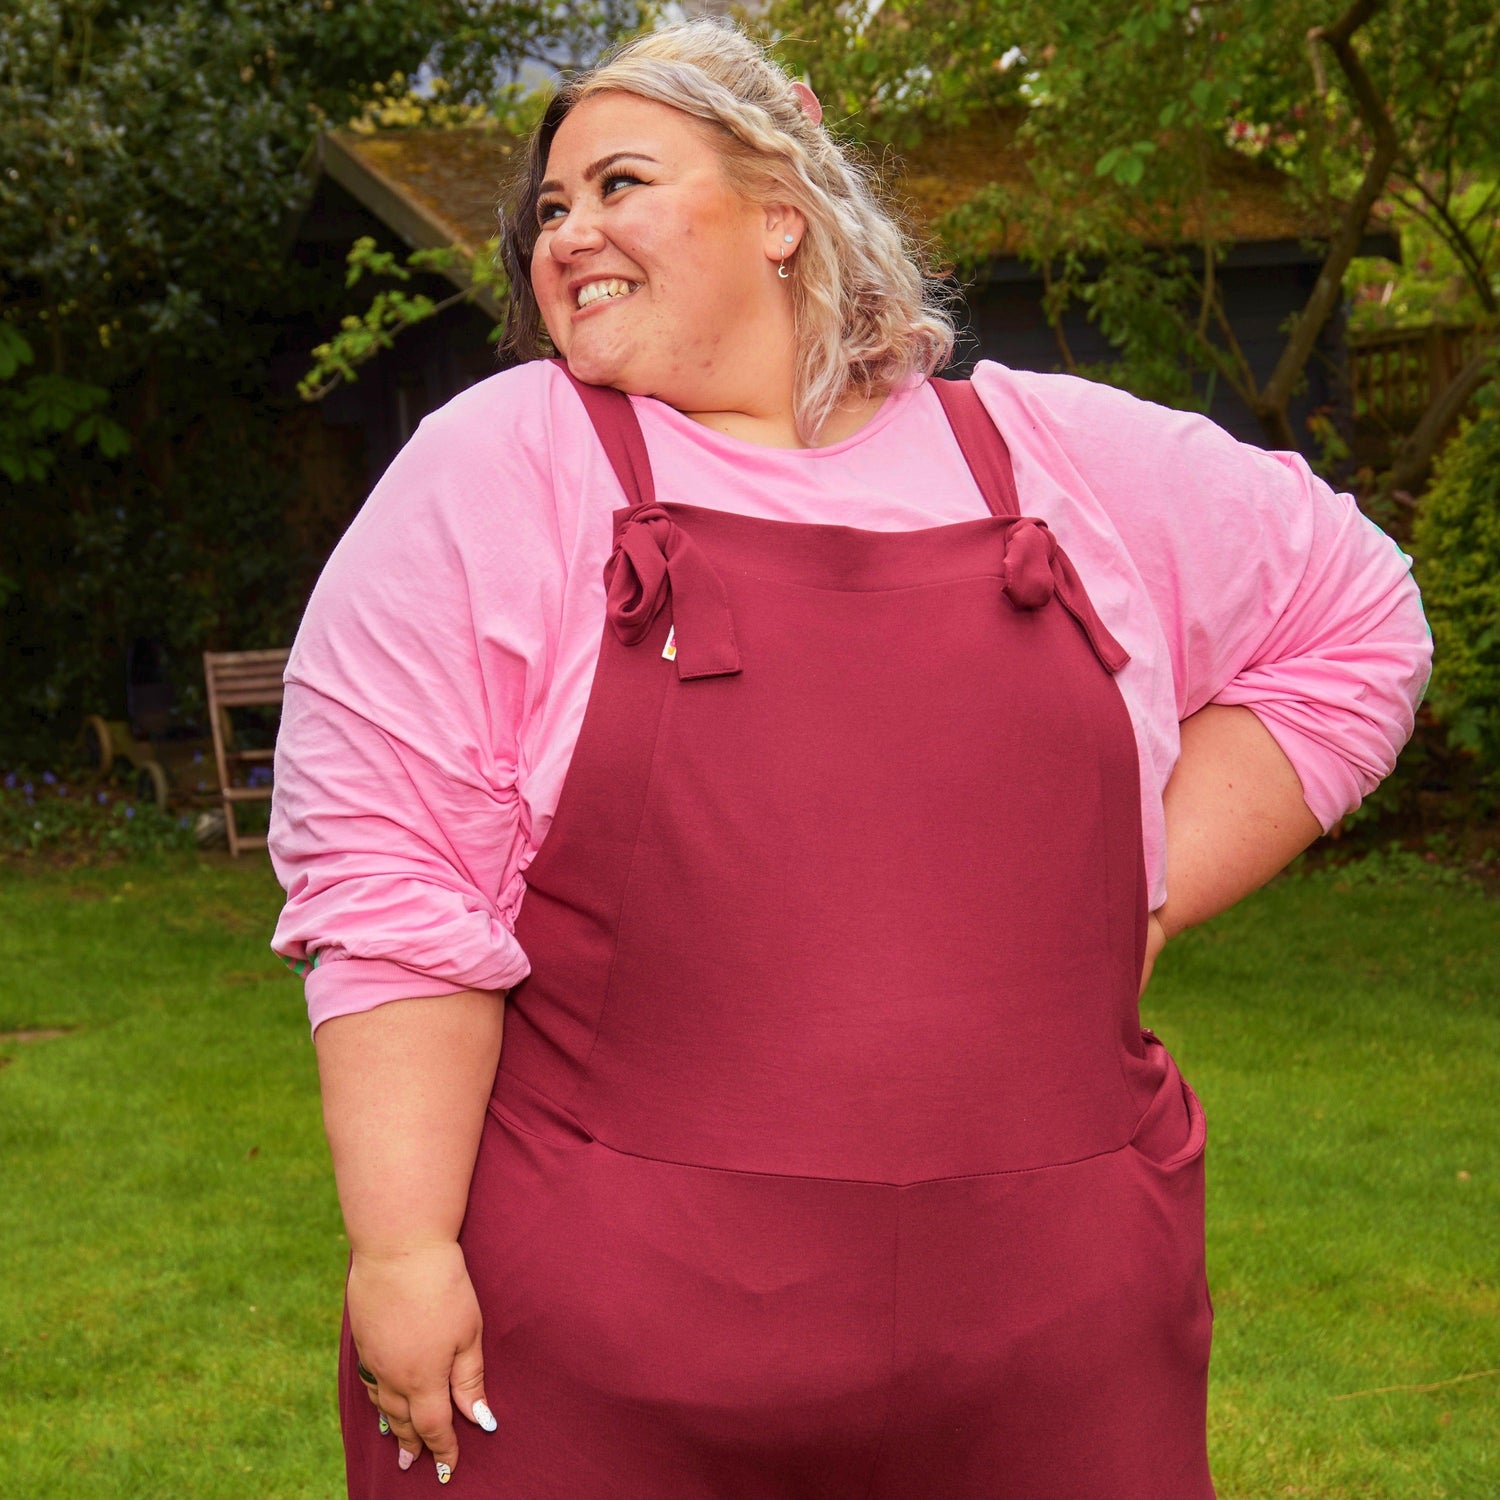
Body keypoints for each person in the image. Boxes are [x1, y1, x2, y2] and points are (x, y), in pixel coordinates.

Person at [270, 19, 1431, 1499]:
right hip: (605, 1373)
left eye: (619, 181)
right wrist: (403, 1248)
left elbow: (1357, 624)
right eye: (549, 210)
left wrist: (1132, 900)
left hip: (1056, 1358)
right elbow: (387, 873)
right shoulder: (510, 464)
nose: (570, 233)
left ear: (780, 208)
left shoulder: (1049, 458)